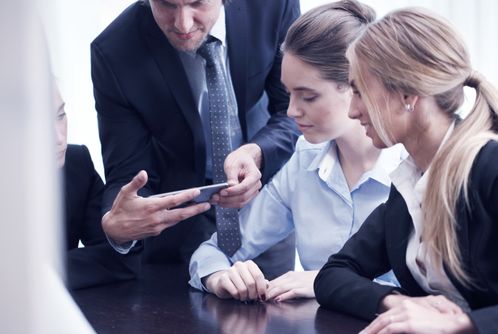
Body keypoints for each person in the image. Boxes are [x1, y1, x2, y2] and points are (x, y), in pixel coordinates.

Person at [314, 7, 498, 334]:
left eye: (358, 91)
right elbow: (332, 275)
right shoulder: (408, 185)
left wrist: (466, 324)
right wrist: (397, 303)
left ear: (408, 95)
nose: (353, 111)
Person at [189, 0, 405, 302]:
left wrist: (328, 282)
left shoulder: (416, 168)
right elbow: (212, 252)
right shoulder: (303, 161)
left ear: (358, 86)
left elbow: (442, 297)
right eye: (289, 94)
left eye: (308, 96)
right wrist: (220, 277)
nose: (290, 111)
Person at [91, 0, 300, 274]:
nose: (183, 24)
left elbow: (293, 109)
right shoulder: (114, 52)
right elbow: (128, 172)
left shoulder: (272, 6)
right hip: (180, 221)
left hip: (266, 199)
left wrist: (258, 153)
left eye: (196, 3)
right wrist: (118, 226)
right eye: (167, 5)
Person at [54, 82, 140, 290]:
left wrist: (41, 272)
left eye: (59, 116)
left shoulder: (77, 163)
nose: (58, 139)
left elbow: (119, 259)